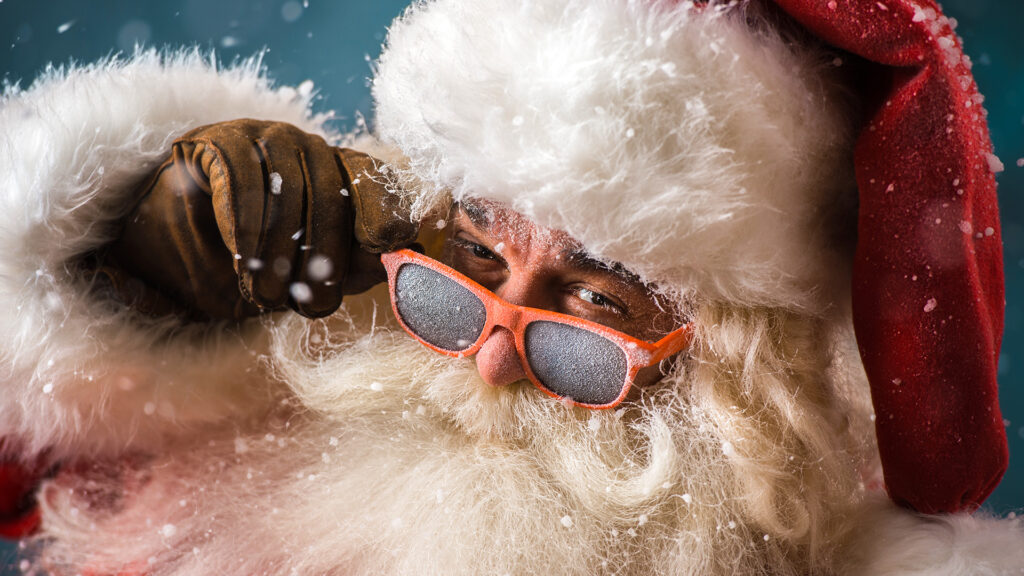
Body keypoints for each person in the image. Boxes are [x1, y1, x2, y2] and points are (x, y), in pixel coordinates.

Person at [1, 0, 1021, 573]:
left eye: (591, 307)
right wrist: (124, 273)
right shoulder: (242, 449)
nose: (488, 355)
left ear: (745, 380)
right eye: (472, 258)